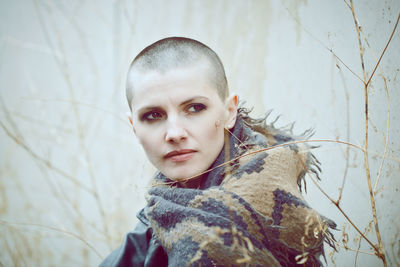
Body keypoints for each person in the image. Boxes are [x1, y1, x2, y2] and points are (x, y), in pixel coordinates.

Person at [100, 37, 335, 267]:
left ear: (229, 112)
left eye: (194, 108)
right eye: (152, 115)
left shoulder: (259, 207)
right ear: (134, 127)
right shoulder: (160, 212)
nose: (174, 133)